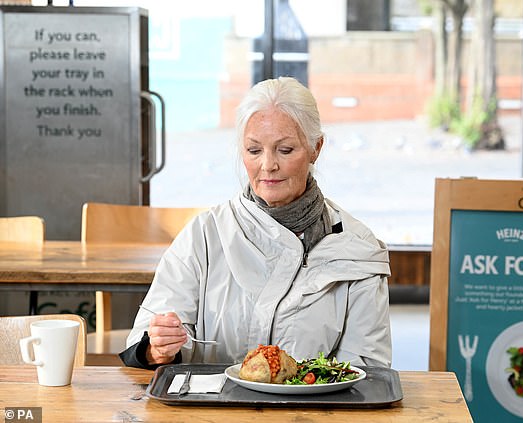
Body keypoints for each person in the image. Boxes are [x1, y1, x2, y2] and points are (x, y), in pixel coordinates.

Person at [120, 77, 392, 369]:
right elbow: (147, 338)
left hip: (312, 414)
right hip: (213, 412)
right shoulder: (205, 236)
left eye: (285, 150)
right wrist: (159, 347)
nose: (268, 165)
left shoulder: (358, 249)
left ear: (316, 148)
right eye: (254, 150)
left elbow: (366, 370)